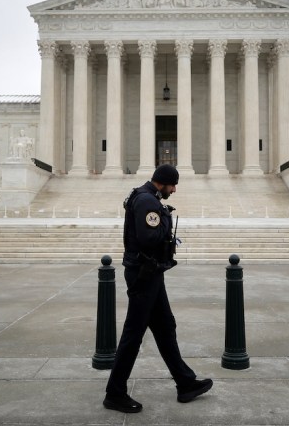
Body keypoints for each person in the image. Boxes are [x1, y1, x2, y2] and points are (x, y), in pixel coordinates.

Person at [103, 164, 213, 413]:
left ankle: (185, 382)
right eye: (172, 185)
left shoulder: (148, 198)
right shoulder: (146, 201)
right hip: (144, 274)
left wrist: (163, 216)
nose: (174, 190)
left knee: (165, 327)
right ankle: (115, 393)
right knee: (133, 334)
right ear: (162, 182)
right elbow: (149, 238)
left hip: (150, 272)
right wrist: (166, 220)